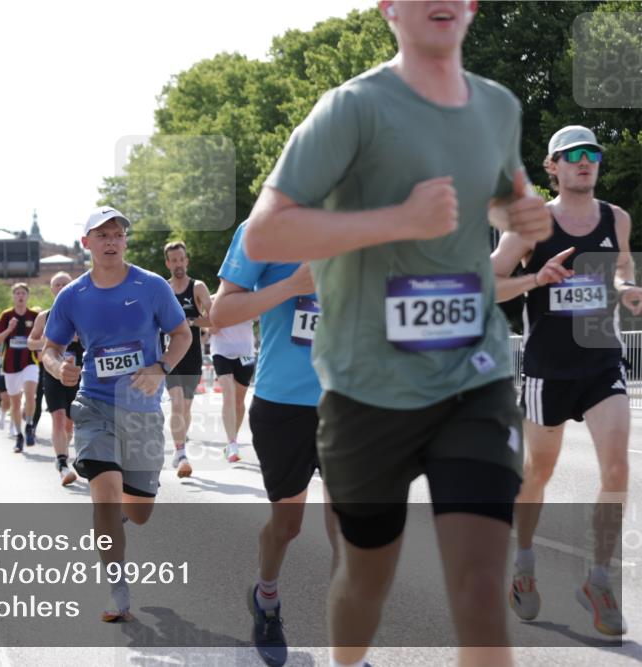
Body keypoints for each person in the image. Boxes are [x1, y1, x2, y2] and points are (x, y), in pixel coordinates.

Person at [242, 2, 554, 665]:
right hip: (368, 388)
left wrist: (517, 212)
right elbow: (268, 230)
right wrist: (398, 220)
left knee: (478, 592)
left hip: (475, 374)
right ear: (388, 7)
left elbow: (501, 194)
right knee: (365, 583)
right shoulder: (350, 109)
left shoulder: (497, 106)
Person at [492, 125, 641, 636]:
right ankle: (525, 566)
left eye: (593, 153)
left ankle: (597, 578)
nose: (586, 161)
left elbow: (620, 269)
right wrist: (535, 278)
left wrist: (626, 289)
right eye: (573, 155)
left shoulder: (616, 218)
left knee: (618, 469)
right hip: (547, 371)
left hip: (602, 363)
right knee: (538, 474)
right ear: (552, 167)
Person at [42, 206, 190, 621]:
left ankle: (124, 516)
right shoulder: (72, 296)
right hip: (95, 404)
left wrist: (160, 367)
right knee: (104, 495)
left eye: (117, 234)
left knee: (139, 512)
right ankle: (117, 588)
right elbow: (50, 349)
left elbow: (181, 334)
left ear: (125, 241)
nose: (110, 241)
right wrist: (60, 368)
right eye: (101, 235)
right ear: (86, 243)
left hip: (142, 411)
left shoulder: (152, 286)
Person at [212, 226, 337, 666]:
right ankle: (266, 597)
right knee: (288, 526)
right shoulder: (265, 227)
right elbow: (221, 312)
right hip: (285, 404)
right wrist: (293, 285)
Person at [163, 240, 213, 477]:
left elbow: (214, 320)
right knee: (176, 404)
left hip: (192, 355)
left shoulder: (198, 287)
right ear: (168, 263)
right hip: (171, 355)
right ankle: (180, 452)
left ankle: (180, 443)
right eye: (173, 260)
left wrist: (190, 322)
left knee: (186, 408)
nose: (178, 264)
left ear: (187, 260)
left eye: (181, 259)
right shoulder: (163, 288)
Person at [28, 271, 79, 485]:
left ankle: (64, 451)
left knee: (69, 423)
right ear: (51, 290)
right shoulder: (44, 316)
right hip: (51, 373)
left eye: (64, 284)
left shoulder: (82, 314)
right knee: (57, 418)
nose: (60, 287)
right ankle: (62, 462)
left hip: (77, 373)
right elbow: (31, 342)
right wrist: (49, 343)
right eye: (56, 284)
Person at [0, 283, 41, 453]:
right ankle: (19, 436)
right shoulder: (6, 316)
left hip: (30, 361)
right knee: (15, 402)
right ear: (13, 296)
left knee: (30, 394)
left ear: (28, 296)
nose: (20, 296)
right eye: (17, 293)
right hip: (11, 365)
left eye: (23, 293)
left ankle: (29, 425)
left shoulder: (35, 316)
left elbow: (43, 338)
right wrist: (9, 329)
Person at [207, 295, 256, 463]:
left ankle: (232, 439)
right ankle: (232, 443)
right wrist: (210, 327)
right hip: (221, 352)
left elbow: (258, 316)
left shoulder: (251, 298)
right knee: (228, 394)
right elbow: (208, 324)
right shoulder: (213, 299)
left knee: (238, 401)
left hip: (246, 353)